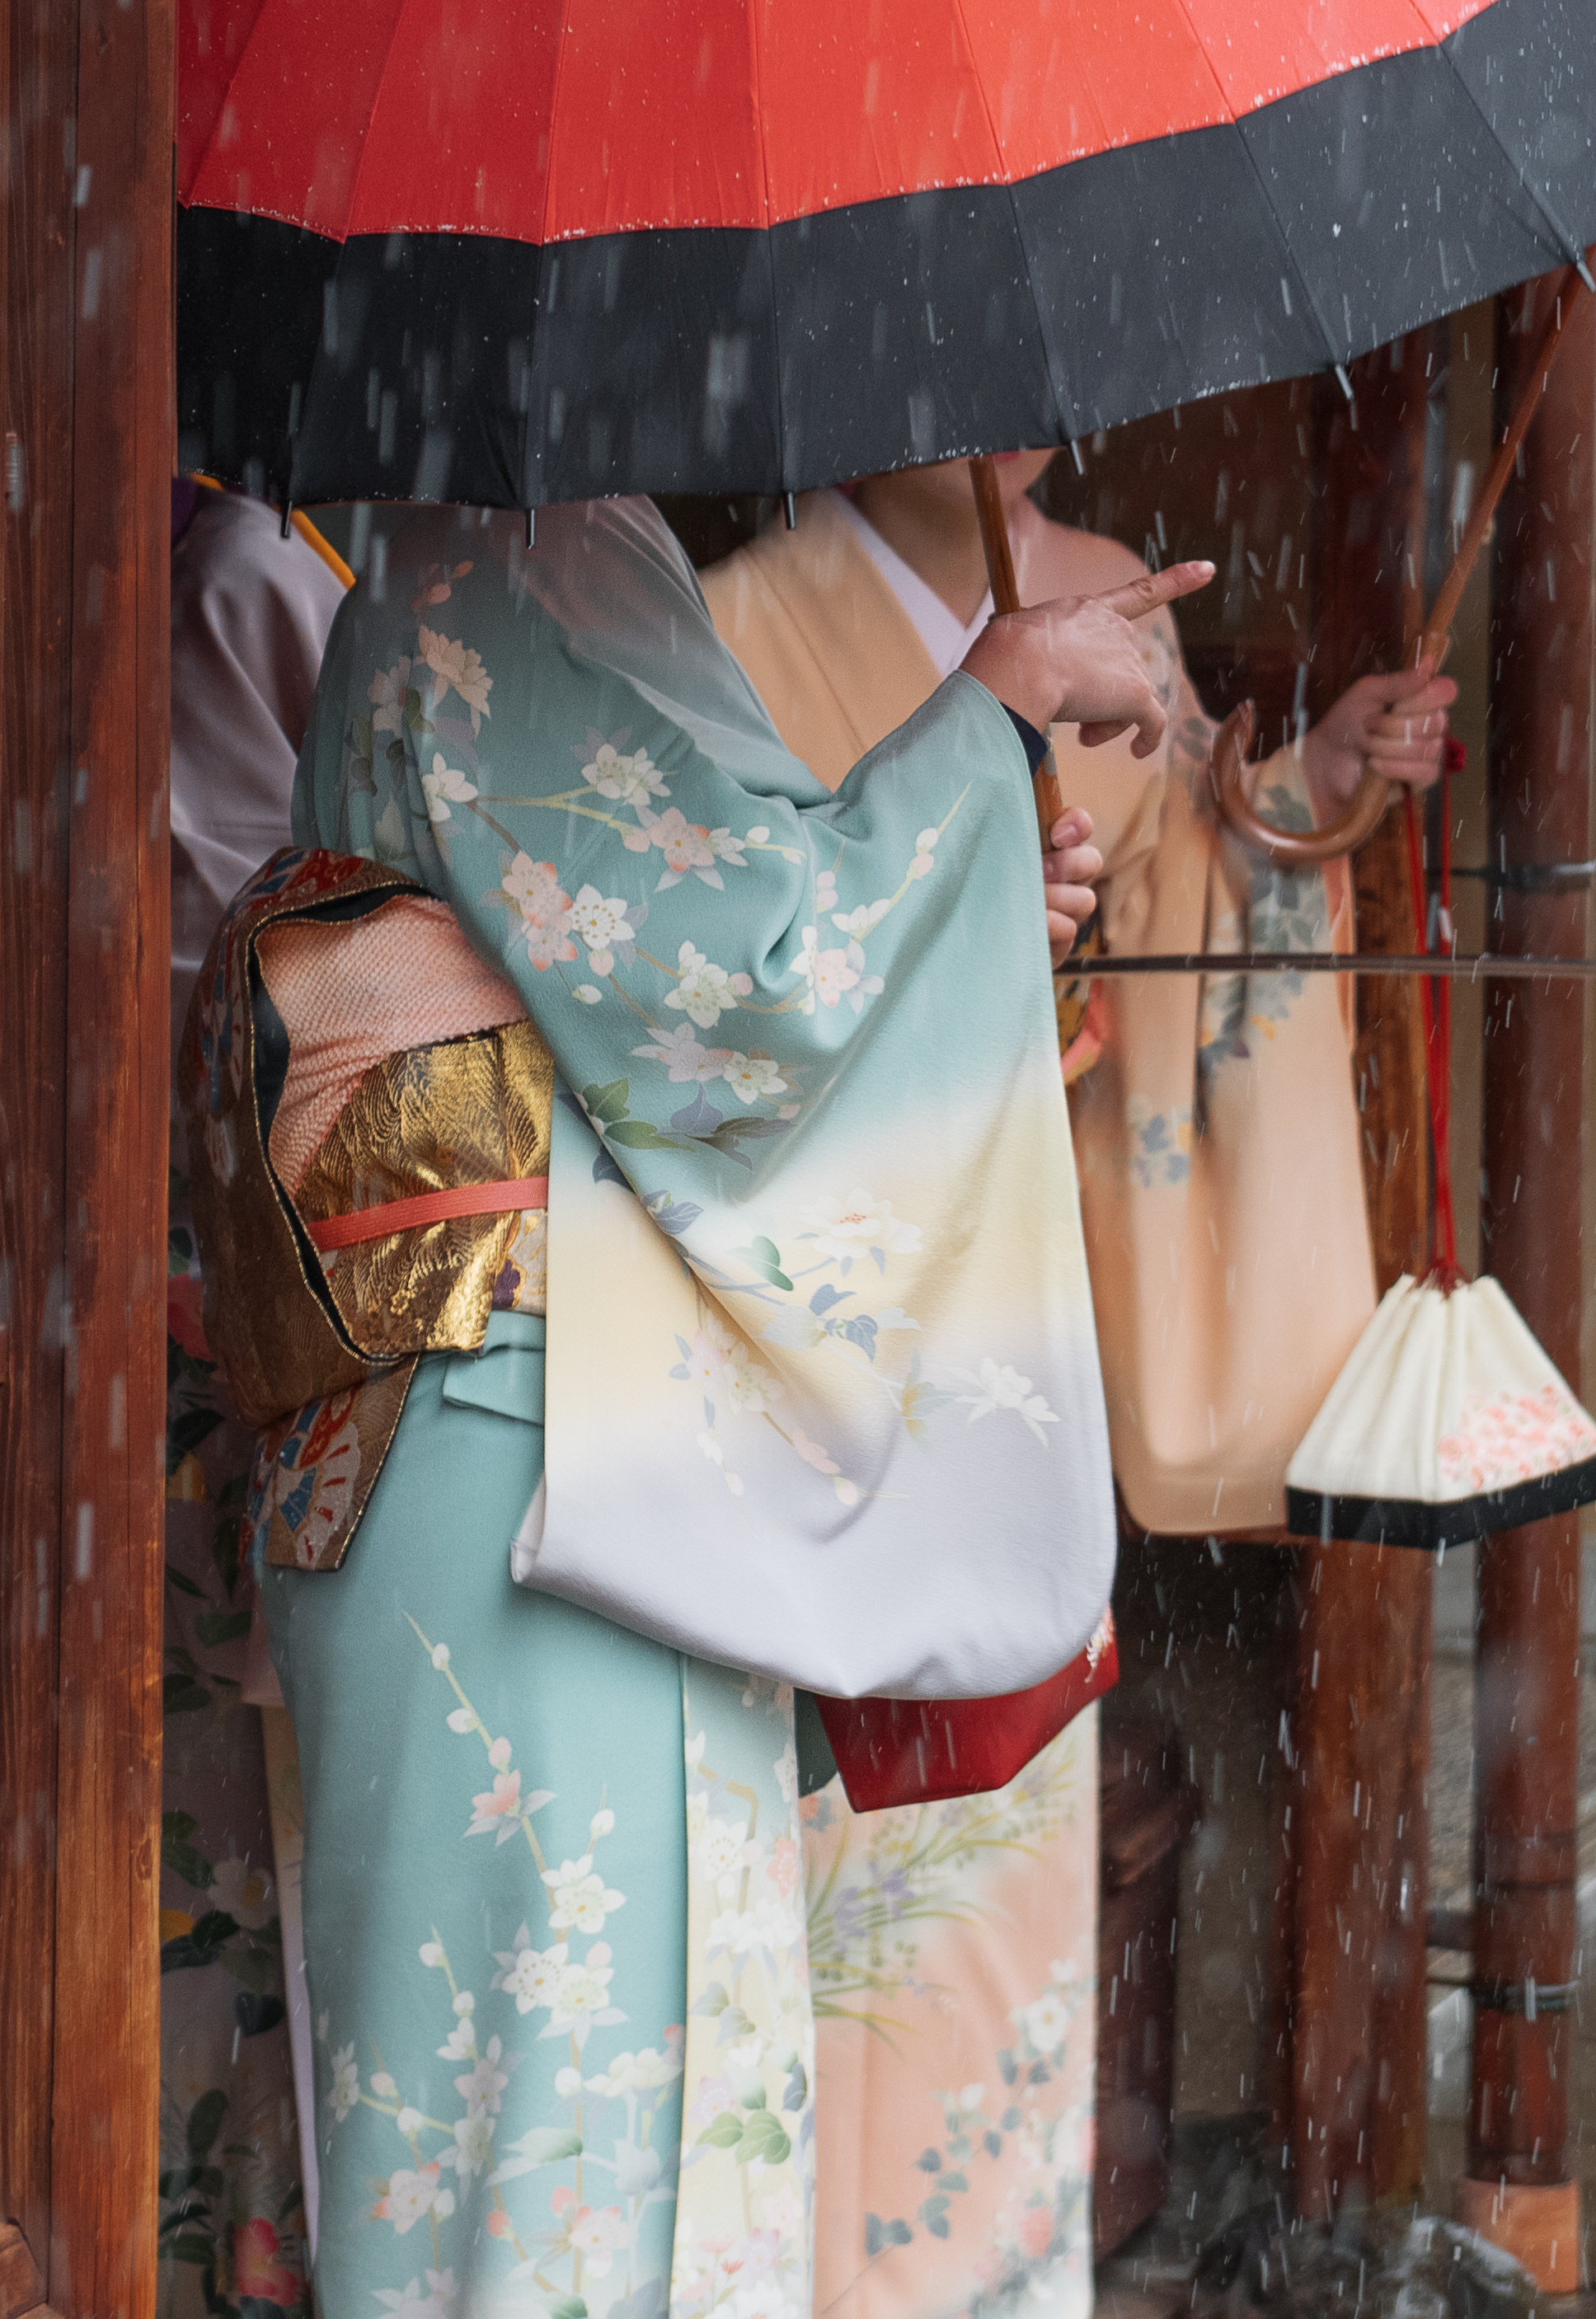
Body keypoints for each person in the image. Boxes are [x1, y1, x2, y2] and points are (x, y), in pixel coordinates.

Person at [202, 498, 1189, 2319]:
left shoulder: (440, 556)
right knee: (583, 2161)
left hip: (428, 1447)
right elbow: (755, 981)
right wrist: (990, 711)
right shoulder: (532, 556)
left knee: (470, 2150)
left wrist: (957, 841)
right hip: (545, 1470)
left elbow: (678, 924)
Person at [702, 460, 1441, 2319]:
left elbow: (1191, 869)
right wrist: (954, 910)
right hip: (844, 1277)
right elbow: (739, 958)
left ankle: (978, 2267)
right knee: (826, 1833)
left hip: (1020, 1249)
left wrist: (1318, 787)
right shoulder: (746, 612)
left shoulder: (1111, 586)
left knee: (1000, 1826)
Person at [162, 482, 359, 2313]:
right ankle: (232, 2248)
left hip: (282, 1213)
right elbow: (249, 919)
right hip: (242, 1203)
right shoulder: (245, 559)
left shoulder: (298, 541)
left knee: (277, 1853)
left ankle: (251, 2239)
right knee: (243, 1852)